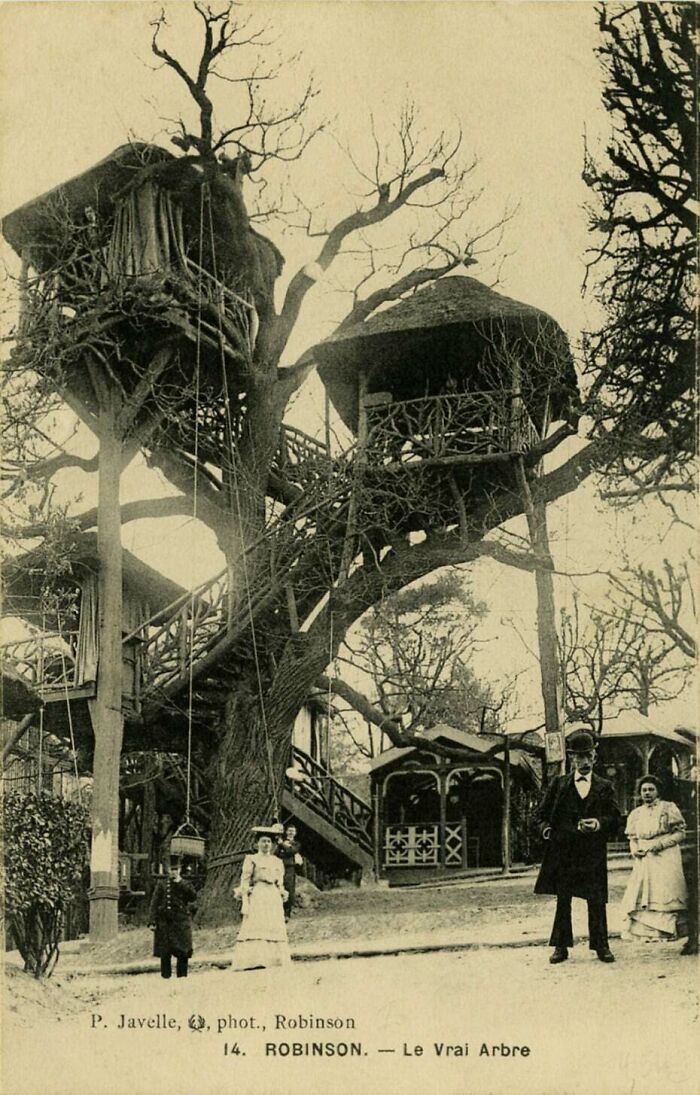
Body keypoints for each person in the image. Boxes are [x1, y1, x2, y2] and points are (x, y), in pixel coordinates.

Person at [534, 728, 620, 965]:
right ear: (571, 758)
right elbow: (539, 816)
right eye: (578, 756)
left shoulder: (605, 786)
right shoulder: (558, 785)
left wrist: (599, 823)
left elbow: (616, 819)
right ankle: (561, 947)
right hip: (564, 852)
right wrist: (546, 830)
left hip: (592, 853)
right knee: (563, 900)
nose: (583, 761)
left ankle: (601, 945)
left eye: (587, 756)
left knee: (597, 899)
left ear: (595, 757)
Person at [621, 775, 688, 942]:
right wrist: (635, 850)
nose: (647, 793)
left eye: (651, 789)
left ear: (658, 791)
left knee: (664, 892)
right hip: (644, 859)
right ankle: (643, 930)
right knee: (643, 893)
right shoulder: (636, 813)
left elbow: (680, 833)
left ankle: (667, 929)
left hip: (665, 857)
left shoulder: (668, 808)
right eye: (644, 790)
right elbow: (633, 838)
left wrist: (660, 845)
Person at [231, 826, 291, 971]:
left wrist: (282, 891)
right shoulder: (251, 859)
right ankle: (255, 960)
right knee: (257, 923)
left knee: (273, 924)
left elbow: (279, 881)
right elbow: (245, 880)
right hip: (259, 894)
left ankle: (275, 959)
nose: (266, 845)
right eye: (263, 841)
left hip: (273, 895)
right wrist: (245, 892)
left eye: (269, 842)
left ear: (272, 844)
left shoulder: (277, 861)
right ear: (257, 843)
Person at [148, 856, 197, 979]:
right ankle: (166, 977)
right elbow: (154, 903)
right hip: (165, 922)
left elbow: (192, 897)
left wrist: (180, 882)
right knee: (165, 952)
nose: (173, 872)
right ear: (168, 870)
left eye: (176, 869)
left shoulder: (186, 883)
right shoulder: (162, 884)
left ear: (180, 870)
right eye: (171, 869)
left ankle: (182, 977)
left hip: (181, 922)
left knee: (183, 951)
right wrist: (152, 921)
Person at [275, 823, 303, 920]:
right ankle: (278, 912)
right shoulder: (281, 842)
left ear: (295, 833)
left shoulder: (296, 844)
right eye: (289, 830)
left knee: (289, 889)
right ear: (286, 832)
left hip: (289, 868)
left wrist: (282, 845)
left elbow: (291, 851)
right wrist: (282, 846)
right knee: (278, 887)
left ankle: (287, 913)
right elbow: (277, 853)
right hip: (279, 866)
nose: (291, 833)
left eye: (293, 831)